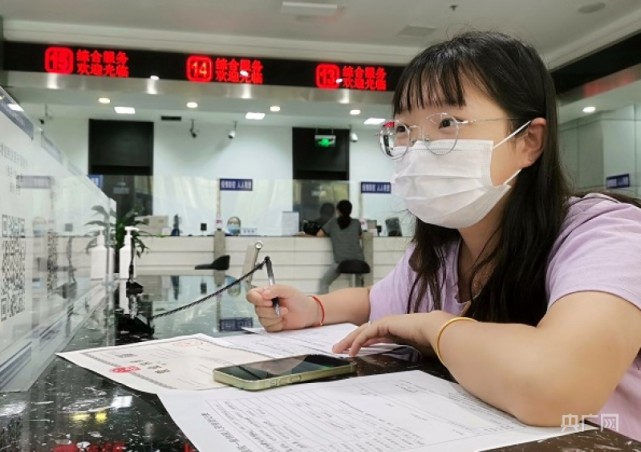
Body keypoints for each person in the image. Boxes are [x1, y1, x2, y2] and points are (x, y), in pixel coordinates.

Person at [246, 30, 641, 441]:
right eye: (403, 128)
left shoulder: (605, 234)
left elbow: (557, 385)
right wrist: (312, 308)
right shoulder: (444, 248)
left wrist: (436, 329)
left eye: (448, 122)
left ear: (529, 141)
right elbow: (377, 300)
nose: (418, 147)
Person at [316, 199, 364, 294]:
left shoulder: (332, 223)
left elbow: (319, 234)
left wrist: (333, 234)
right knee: (361, 285)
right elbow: (360, 236)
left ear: (337, 211)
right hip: (359, 262)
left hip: (340, 262)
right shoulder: (356, 223)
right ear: (350, 211)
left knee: (323, 283)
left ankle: (325, 303)